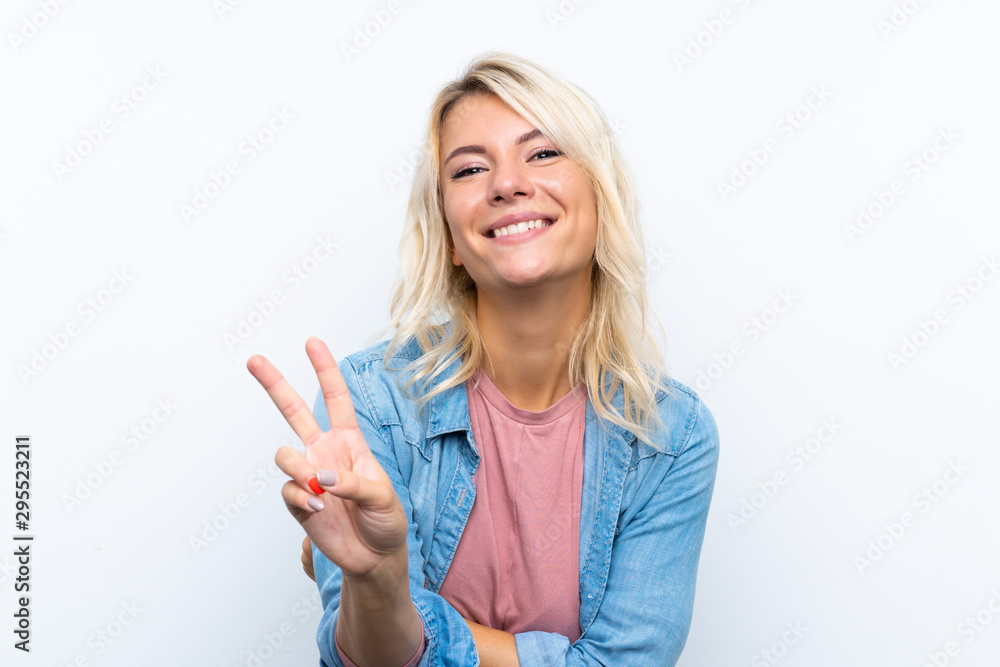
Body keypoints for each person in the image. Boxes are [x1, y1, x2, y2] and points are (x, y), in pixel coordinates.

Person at [247, 51, 720, 667]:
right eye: (470, 169)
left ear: (601, 200)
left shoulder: (671, 437)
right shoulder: (374, 402)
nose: (506, 183)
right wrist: (378, 580)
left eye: (544, 153)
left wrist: (427, 623)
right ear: (450, 239)